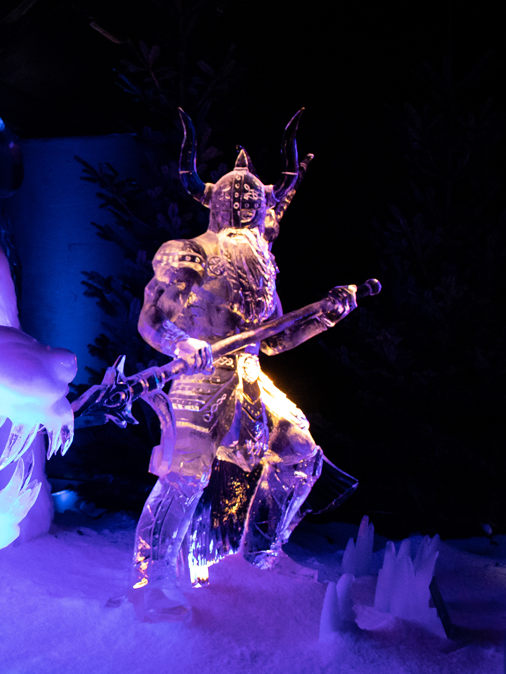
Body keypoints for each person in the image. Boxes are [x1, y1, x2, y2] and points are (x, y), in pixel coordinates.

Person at [129, 109, 358, 620]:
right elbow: (152, 318)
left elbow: (273, 339)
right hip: (197, 382)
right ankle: (152, 580)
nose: (246, 210)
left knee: (300, 453)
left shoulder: (261, 265)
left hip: (250, 381)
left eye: (254, 203)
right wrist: (181, 344)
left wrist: (325, 316)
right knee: (186, 474)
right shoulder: (188, 252)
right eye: (237, 202)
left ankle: (258, 558)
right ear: (214, 204)